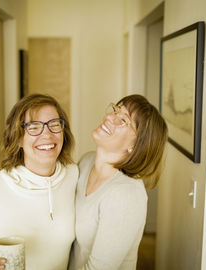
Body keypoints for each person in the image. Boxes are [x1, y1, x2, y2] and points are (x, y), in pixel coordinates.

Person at [0, 94, 78, 270]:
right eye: (34, 127)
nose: (47, 135)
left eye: (54, 125)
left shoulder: (74, 175)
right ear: (18, 138)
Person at [68, 94, 168, 270]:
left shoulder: (126, 195)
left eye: (123, 120)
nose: (109, 117)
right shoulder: (86, 162)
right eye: (115, 110)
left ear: (136, 146)